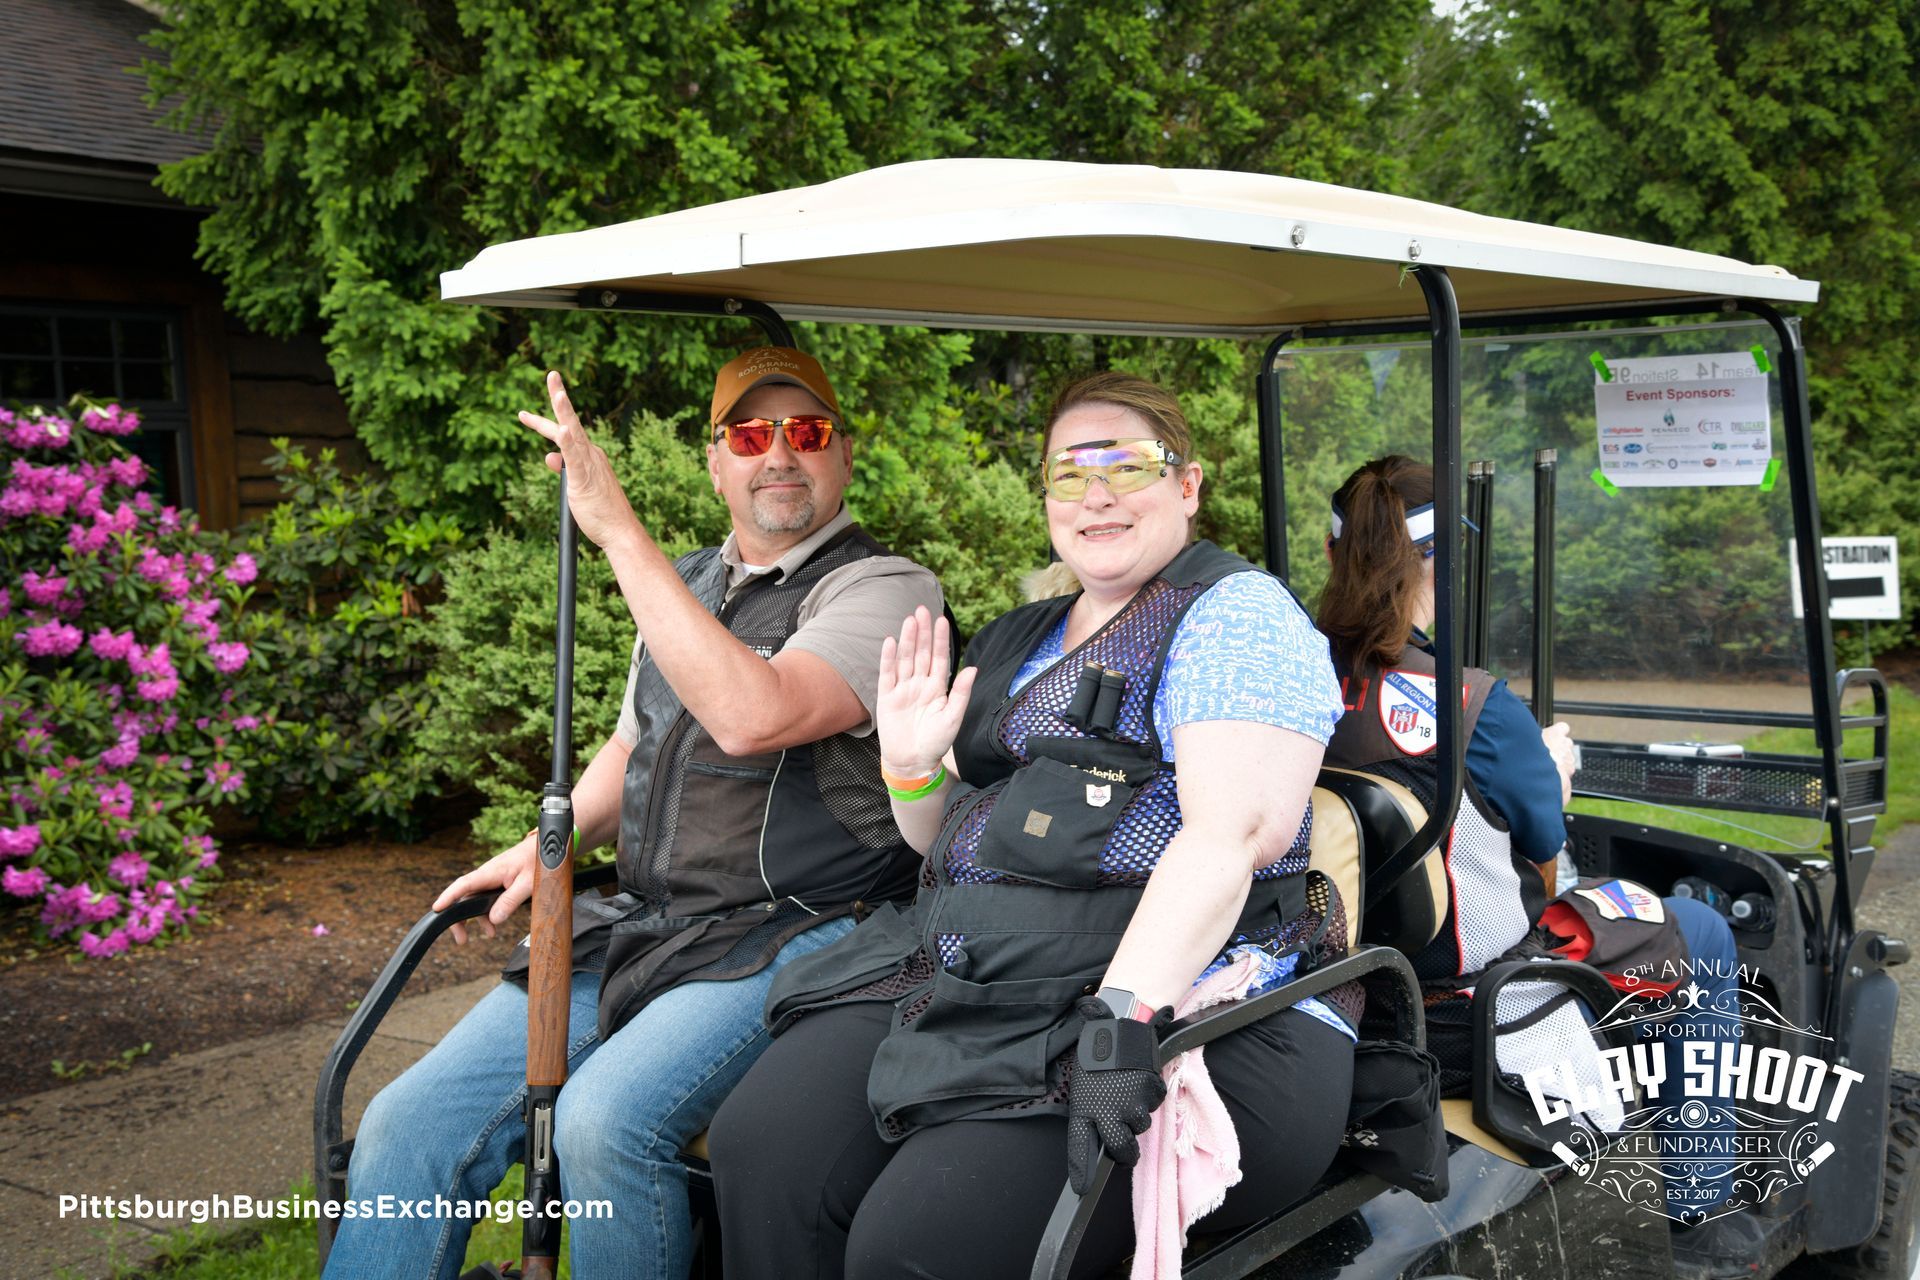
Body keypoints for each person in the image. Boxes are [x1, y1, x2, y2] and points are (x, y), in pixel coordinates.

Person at [708, 372, 1358, 1280]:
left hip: (1177, 997)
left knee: (915, 1248)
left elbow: (1228, 839)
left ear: (1187, 485)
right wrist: (910, 766)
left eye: (1127, 466)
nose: (1096, 494)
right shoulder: (1024, 636)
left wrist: (1124, 1019)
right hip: (986, 969)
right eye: (1069, 473)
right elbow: (953, 845)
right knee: (764, 1151)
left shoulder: (1235, 617)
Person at [323, 347, 944, 1280]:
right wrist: (549, 843)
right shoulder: (685, 583)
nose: (779, 454)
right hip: (652, 926)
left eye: (807, 432)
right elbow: (634, 743)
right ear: (715, 462)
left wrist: (615, 529)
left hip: (806, 927)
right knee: (406, 1122)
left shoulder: (885, 589)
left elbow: (755, 715)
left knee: (604, 1123)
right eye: (750, 435)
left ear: (843, 454)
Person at [1315, 455, 1748, 1251]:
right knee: (1705, 933)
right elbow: (1543, 857)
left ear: (1332, 553)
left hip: (1334, 981)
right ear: (1444, 557)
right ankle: (1703, 1212)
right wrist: (1550, 775)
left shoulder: (1279, 681)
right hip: (1464, 1006)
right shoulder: (1476, 703)